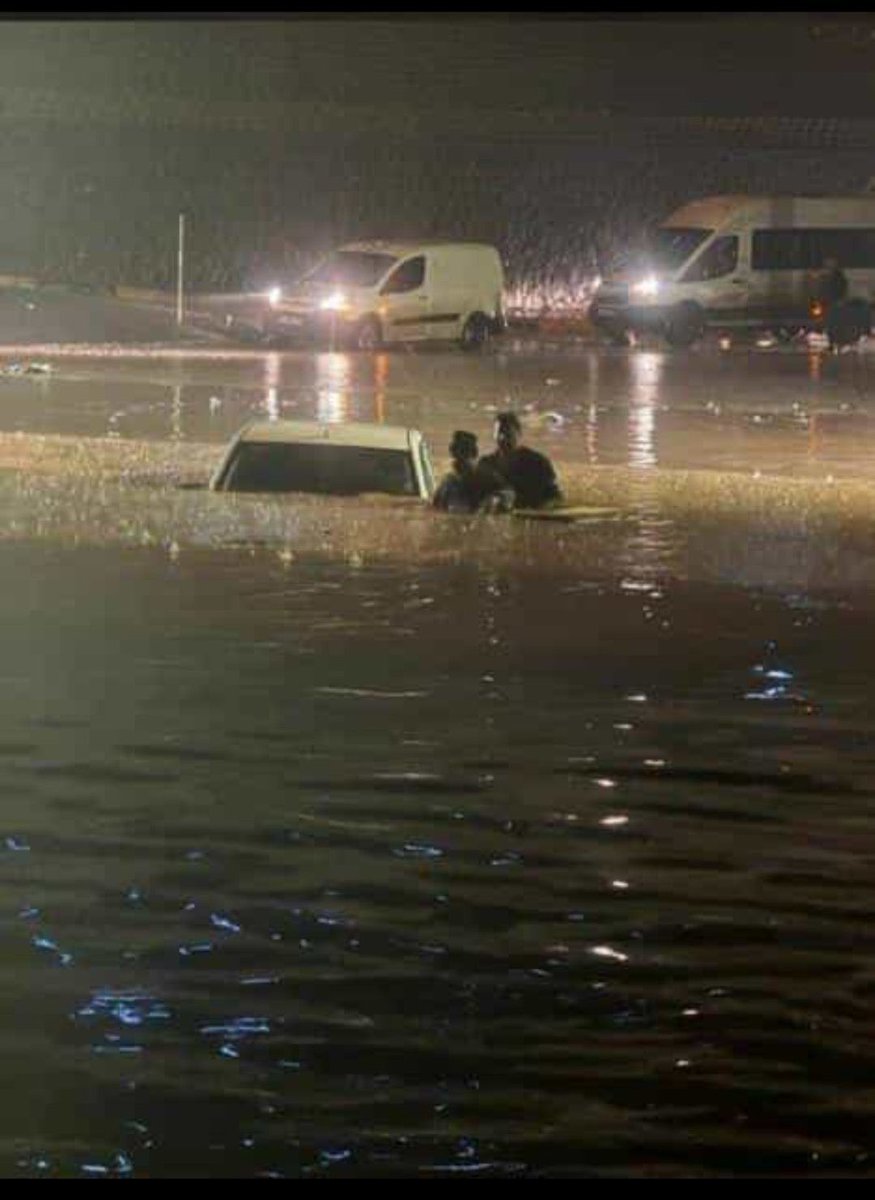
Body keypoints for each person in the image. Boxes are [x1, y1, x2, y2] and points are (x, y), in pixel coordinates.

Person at [478, 410, 563, 510]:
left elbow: (556, 497)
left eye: (508, 434)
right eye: (499, 433)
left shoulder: (538, 463)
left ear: (519, 434)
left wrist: (545, 508)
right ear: (494, 435)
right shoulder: (486, 464)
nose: (503, 438)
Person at [432, 430, 511, 514]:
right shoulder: (448, 483)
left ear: (474, 454)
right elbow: (435, 508)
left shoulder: (487, 477)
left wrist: (495, 500)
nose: (458, 460)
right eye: (455, 454)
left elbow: (508, 493)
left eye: (464, 453)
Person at [812, 257, 849, 352]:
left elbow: (841, 288)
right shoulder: (827, 276)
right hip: (827, 302)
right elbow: (821, 290)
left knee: (834, 323)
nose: (828, 265)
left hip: (834, 302)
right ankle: (832, 342)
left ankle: (837, 342)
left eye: (830, 264)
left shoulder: (838, 276)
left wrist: (840, 299)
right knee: (829, 323)